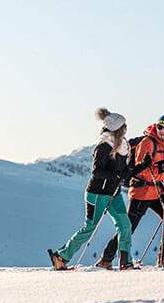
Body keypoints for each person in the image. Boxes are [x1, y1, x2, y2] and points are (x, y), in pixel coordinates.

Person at [47, 108, 151, 271]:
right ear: (117, 129)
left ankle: (125, 262)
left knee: (125, 226)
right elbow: (97, 172)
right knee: (89, 228)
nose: (126, 128)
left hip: (113, 193)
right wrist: (115, 176)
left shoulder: (122, 146)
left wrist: (142, 166)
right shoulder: (103, 146)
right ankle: (60, 257)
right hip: (97, 194)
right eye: (124, 125)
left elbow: (123, 173)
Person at [99, 114, 164, 268]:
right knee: (129, 228)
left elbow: (160, 173)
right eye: (160, 126)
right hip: (141, 192)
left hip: (156, 193)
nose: (162, 130)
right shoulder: (147, 142)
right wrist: (160, 167)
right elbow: (139, 169)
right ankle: (106, 258)